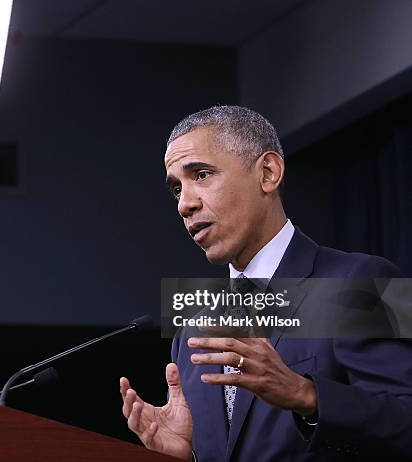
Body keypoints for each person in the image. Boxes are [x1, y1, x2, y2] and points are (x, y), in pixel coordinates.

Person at [119, 106, 412, 461]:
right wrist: (186, 456)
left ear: (268, 173)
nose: (185, 204)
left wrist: (307, 396)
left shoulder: (361, 282)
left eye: (202, 174)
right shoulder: (193, 329)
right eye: (176, 189)